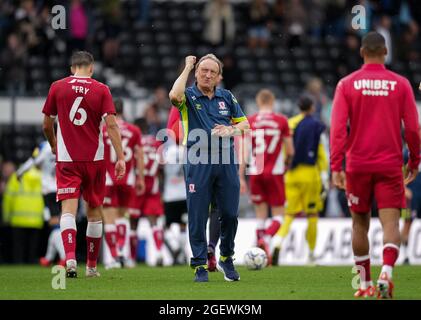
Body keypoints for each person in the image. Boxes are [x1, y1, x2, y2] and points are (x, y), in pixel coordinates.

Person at [330, 32, 420, 299]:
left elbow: (337, 129)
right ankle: (387, 274)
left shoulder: (346, 84)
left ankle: (363, 284)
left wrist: (337, 165)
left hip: (357, 164)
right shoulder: (401, 84)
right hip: (390, 164)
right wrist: (414, 159)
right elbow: (413, 129)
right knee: (390, 222)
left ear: (361, 53)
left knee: (359, 224)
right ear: (385, 52)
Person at [42, 51, 125, 278]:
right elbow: (111, 125)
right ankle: (90, 267)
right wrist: (120, 157)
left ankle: (69, 259)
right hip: (95, 160)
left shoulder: (57, 87)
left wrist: (53, 144)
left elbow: (46, 124)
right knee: (94, 211)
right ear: (92, 68)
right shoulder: (101, 89)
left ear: (72, 68)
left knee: (67, 210)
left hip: (67, 159)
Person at [169, 54, 249, 282]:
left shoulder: (227, 97)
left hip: (226, 161)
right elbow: (174, 95)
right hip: (198, 161)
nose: (207, 75)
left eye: (212, 72)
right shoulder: (189, 95)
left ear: (218, 77)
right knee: (197, 215)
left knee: (230, 214)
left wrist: (230, 130)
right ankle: (199, 265)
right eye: (203, 70)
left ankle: (226, 257)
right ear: (197, 72)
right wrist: (186, 67)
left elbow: (245, 124)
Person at [240, 89, 294, 265]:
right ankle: (267, 238)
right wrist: (286, 164)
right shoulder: (281, 120)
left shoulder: (250, 121)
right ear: (273, 101)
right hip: (275, 172)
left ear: (258, 101)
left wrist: (241, 177)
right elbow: (290, 150)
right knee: (279, 215)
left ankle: (261, 248)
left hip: (255, 171)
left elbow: (244, 152)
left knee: (260, 216)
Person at [271, 96, 327, 266]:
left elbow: (284, 149)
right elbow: (321, 150)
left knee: (289, 214)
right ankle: (310, 255)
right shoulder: (315, 124)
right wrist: (324, 174)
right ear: (311, 108)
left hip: (291, 175)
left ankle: (278, 241)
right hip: (310, 174)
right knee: (312, 214)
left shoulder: (290, 123)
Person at [102, 98, 145, 269]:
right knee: (122, 217)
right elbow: (139, 155)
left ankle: (113, 257)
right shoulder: (134, 130)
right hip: (127, 179)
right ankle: (122, 252)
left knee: (109, 218)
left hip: (107, 178)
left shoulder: (103, 129)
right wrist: (140, 177)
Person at [16, 141, 65, 267]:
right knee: (57, 224)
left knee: (55, 225)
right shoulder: (64, 144)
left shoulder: (45, 147)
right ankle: (48, 258)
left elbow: (33, 161)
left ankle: (65, 257)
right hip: (62, 188)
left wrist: (20, 172)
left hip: (48, 190)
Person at [130, 118, 165, 266]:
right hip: (153, 186)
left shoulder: (134, 142)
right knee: (154, 223)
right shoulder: (156, 143)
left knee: (133, 223)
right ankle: (158, 253)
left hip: (137, 185)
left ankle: (131, 259)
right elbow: (162, 166)